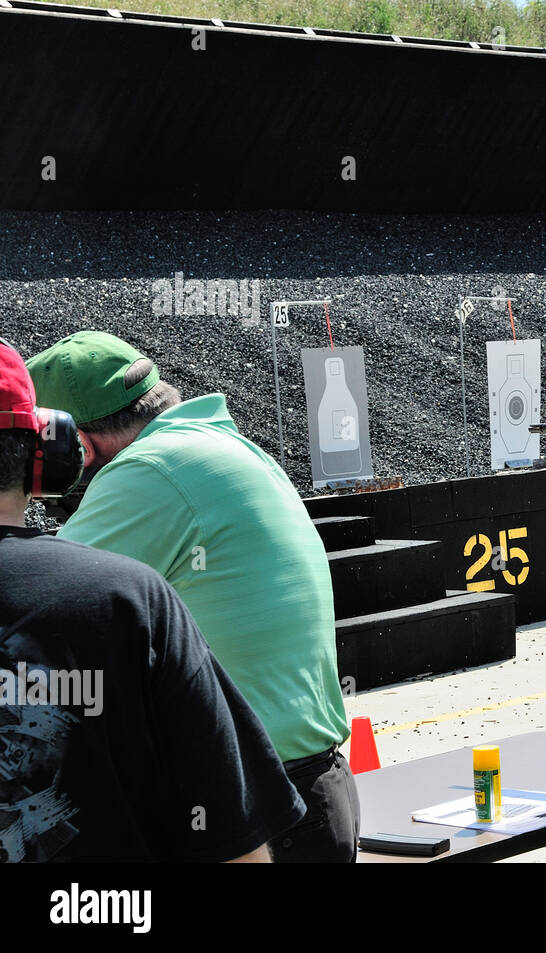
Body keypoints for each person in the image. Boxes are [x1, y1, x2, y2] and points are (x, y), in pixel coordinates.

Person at [27, 331, 357, 863]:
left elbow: (36, 605)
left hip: (247, 817)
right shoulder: (224, 448)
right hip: (307, 790)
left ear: (79, 447)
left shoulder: (148, 471)